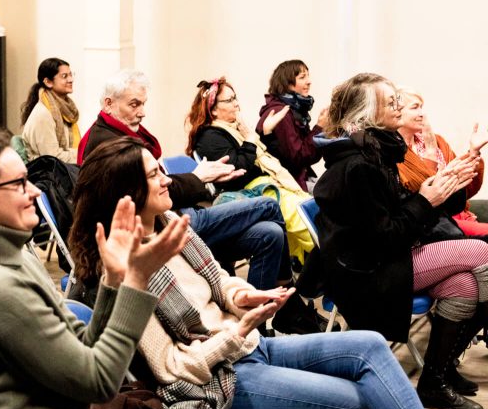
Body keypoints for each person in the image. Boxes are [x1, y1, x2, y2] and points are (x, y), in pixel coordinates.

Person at [68, 135, 458, 409]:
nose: (167, 178)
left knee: (371, 346)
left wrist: (244, 298)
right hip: (218, 379)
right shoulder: (122, 272)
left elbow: (219, 281)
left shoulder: (169, 223)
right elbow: (171, 369)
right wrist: (235, 333)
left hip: (248, 347)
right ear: (128, 193)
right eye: (155, 175)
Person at [0, 130, 294, 409]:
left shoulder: (8, 260)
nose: (34, 192)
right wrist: (135, 280)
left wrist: (114, 280)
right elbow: (98, 381)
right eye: (18, 185)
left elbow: (83, 347)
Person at [74, 70, 326, 334]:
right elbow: (155, 191)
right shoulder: (109, 145)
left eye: (143, 104)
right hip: (165, 223)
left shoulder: (125, 135)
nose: (143, 112)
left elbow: (163, 182)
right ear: (109, 104)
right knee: (269, 205)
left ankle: (260, 324)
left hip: (177, 212)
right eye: (134, 104)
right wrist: (201, 176)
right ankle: (294, 296)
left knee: (271, 233)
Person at [315, 73, 488, 409]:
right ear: (368, 111)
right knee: (484, 252)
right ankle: (446, 367)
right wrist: (426, 199)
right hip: (368, 272)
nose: (398, 105)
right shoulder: (357, 166)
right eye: (390, 101)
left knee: (464, 285)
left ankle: (435, 379)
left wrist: (444, 187)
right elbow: (384, 238)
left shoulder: (377, 151)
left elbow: (408, 209)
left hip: (392, 254)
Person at [187, 77, 314, 266]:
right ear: (212, 109)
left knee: (314, 213)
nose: (237, 104)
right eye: (229, 100)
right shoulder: (209, 136)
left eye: (235, 98)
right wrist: (249, 139)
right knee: (312, 222)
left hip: (266, 185)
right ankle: (329, 269)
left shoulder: (235, 129)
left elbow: (267, 159)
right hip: (249, 192)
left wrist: (266, 133)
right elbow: (239, 169)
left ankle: (318, 274)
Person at [395, 86, 488, 236]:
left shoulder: (437, 141)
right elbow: (419, 193)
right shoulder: (393, 150)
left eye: (422, 107)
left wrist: (473, 152)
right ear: (397, 113)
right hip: (430, 222)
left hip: (457, 215)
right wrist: (430, 154)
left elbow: (465, 187)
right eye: (415, 107)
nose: (422, 114)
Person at [255, 60, 326, 191]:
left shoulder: (294, 109)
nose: (309, 81)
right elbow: (298, 157)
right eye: (302, 77)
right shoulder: (281, 113)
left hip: (299, 178)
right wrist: (319, 127)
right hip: (289, 184)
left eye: (308, 76)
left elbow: (309, 156)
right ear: (287, 83)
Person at [20, 57, 80, 163]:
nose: (71, 80)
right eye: (64, 76)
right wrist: (83, 154)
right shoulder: (43, 114)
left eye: (71, 75)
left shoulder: (63, 109)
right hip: (48, 174)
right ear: (48, 82)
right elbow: (52, 157)